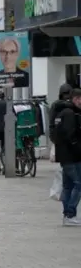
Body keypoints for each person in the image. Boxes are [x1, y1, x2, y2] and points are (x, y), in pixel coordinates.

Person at [52, 88, 81, 226]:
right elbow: (70, 135)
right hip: (72, 156)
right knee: (78, 184)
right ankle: (70, 213)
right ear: (75, 98)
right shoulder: (70, 113)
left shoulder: (62, 112)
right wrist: (78, 149)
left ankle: (67, 215)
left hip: (64, 155)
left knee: (68, 186)